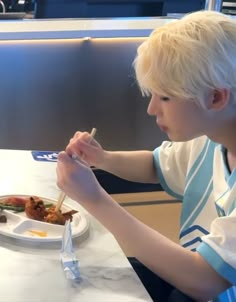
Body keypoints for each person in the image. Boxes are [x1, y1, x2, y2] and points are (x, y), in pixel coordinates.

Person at [56, 10, 236, 302]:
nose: (152, 109)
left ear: (216, 97)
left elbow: (205, 279)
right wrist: (102, 158)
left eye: (164, 97)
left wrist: (95, 199)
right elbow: (155, 166)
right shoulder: (210, 140)